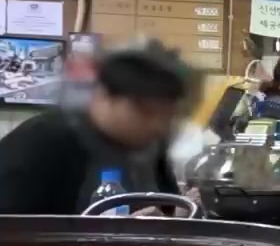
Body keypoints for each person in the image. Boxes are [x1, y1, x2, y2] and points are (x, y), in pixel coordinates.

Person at [0, 43, 195, 215]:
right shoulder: (43, 140)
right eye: (146, 112)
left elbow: (168, 209)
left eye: (167, 115)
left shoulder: (149, 145)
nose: (157, 125)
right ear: (104, 96)